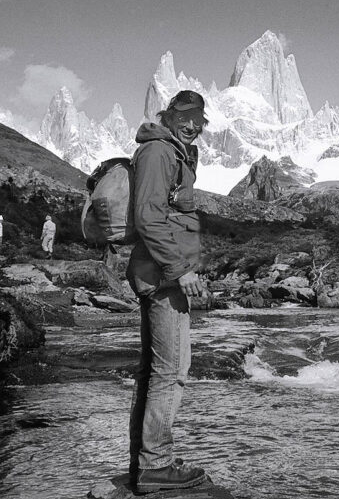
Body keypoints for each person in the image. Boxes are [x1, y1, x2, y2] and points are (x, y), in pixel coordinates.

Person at [126, 90, 209, 493]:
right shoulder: (160, 152)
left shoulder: (170, 151)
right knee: (171, 371)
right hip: (163, 277)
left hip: (159, 273)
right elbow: (148, 217)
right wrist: (180, 270)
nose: (193, 125)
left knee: (153, 372)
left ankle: (143, 461)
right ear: (170, 115)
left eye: (200, 119)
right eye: (187, 117)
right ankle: (155, 464)